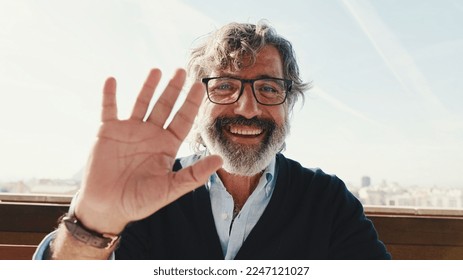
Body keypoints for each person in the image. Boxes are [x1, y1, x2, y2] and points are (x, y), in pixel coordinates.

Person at [34, 21, 391, 260]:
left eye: (267, 87)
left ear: (289, 101)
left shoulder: (326, 201)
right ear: (197, 103)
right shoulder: (147, 193)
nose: (248, 108)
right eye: (224, 87)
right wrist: (93, 225)